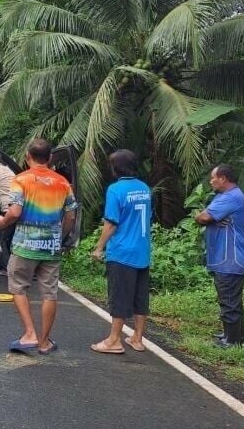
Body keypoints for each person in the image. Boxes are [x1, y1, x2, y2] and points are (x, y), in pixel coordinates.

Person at [0, 138, 77, 354]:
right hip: (51, 247)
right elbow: (70, 216)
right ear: (49, 158)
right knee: (49, 293)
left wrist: (2, 222)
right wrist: (61, 237)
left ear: (27, 157)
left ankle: (29, 333)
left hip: (24, 246)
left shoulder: (20, 180)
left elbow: (15, 212)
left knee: (18, 286)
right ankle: (44, 341)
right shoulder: (62, 183)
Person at [90, 150, 152, 355]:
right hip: (142, 251)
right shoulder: (144, 188)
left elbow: (111, 223)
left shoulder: (115, 190)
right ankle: (137, 338)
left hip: (122, 252)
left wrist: (99, 248)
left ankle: (114, 340)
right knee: (139, 297)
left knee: (119, 296)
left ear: (115, 168)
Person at [195, 164, 244, 347]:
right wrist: (210, 219)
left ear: (223, 178)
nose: (211, 181)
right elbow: (208, 217)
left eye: (213, 178)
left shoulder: (229, 198)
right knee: (232, 299)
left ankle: (232, 341)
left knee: (228, 300)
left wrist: (205, 219)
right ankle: (235, 335)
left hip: (230, 258)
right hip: (230, 257)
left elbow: (203, 217)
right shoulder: (230, 196)